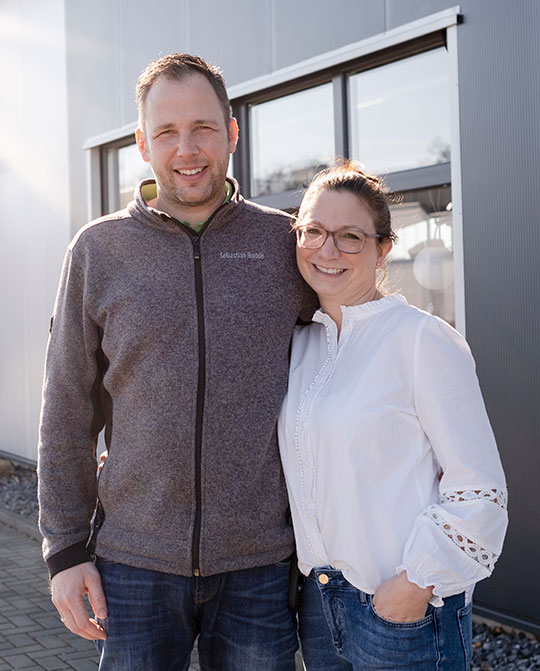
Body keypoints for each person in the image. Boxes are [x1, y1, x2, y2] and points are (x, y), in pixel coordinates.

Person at [38, 53, 315, 671]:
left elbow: (342, 365)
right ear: (142, 142)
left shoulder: (284, 244)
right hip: (132, 565)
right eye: (166, 131)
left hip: (259, 565)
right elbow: (65, 410)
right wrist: (65, 551)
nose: (186, 149)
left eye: (203, 128)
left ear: (233, 133)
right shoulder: (98, 250)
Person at [278, 161, 508, 671]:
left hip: (402, 611)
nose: (327, 250)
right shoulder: (301, 345)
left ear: (383, 248)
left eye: (350, 237)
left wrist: (413, 585)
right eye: (313, 231)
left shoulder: (421, 340)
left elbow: (481, 494)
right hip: (318, 606)